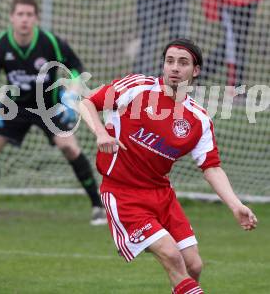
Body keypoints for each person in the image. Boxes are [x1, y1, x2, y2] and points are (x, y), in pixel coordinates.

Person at [79, 37, 257, 293]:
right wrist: (100, 133)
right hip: (123, 193)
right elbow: (87, 103)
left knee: (194, 265)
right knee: (172, 256)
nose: (174, 67)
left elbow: (211, 167)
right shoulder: (138, 88)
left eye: (183, 63)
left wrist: (235, 205)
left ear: (195, 71)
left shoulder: (198, 119)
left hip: (162, 195)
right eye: (170, 61)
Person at [0, 0, 107, 226]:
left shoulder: (50, 42)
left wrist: (72, 94)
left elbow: (75, 68)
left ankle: (98, 206)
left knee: (69, 147)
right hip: (15, 106)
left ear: (36, 18)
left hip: (49, 106)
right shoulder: (1, 44)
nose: (24, 19)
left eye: (29, 14)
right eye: (20, 14)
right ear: (12, 18)